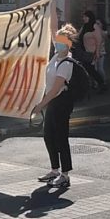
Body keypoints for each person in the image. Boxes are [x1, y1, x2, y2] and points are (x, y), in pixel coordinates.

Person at [31, 24, 78, 189]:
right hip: (53, 101)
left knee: (61, 137)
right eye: (56, 41)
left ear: (68, 44)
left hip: (61, 101)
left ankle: (65, 175)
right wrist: (50, 6)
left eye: (60, 42)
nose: (57, 44)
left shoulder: (66, 62)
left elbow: (55, 90)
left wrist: (40, 105)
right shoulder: (56, 56)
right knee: (48, 136)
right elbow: (52, 27)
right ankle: (54, 170)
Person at [76, 10, 105, 92]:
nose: (84, 18)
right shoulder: (84, 27)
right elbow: (78, 36)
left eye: (86, 17)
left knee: (90, 69)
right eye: (83, 17)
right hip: (83, 52)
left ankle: (101, 84)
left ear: (90, 17)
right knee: (87, 69)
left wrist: (97, 52)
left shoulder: (94, 26)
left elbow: (99, 40)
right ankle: (98, 84)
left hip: (91, 52)